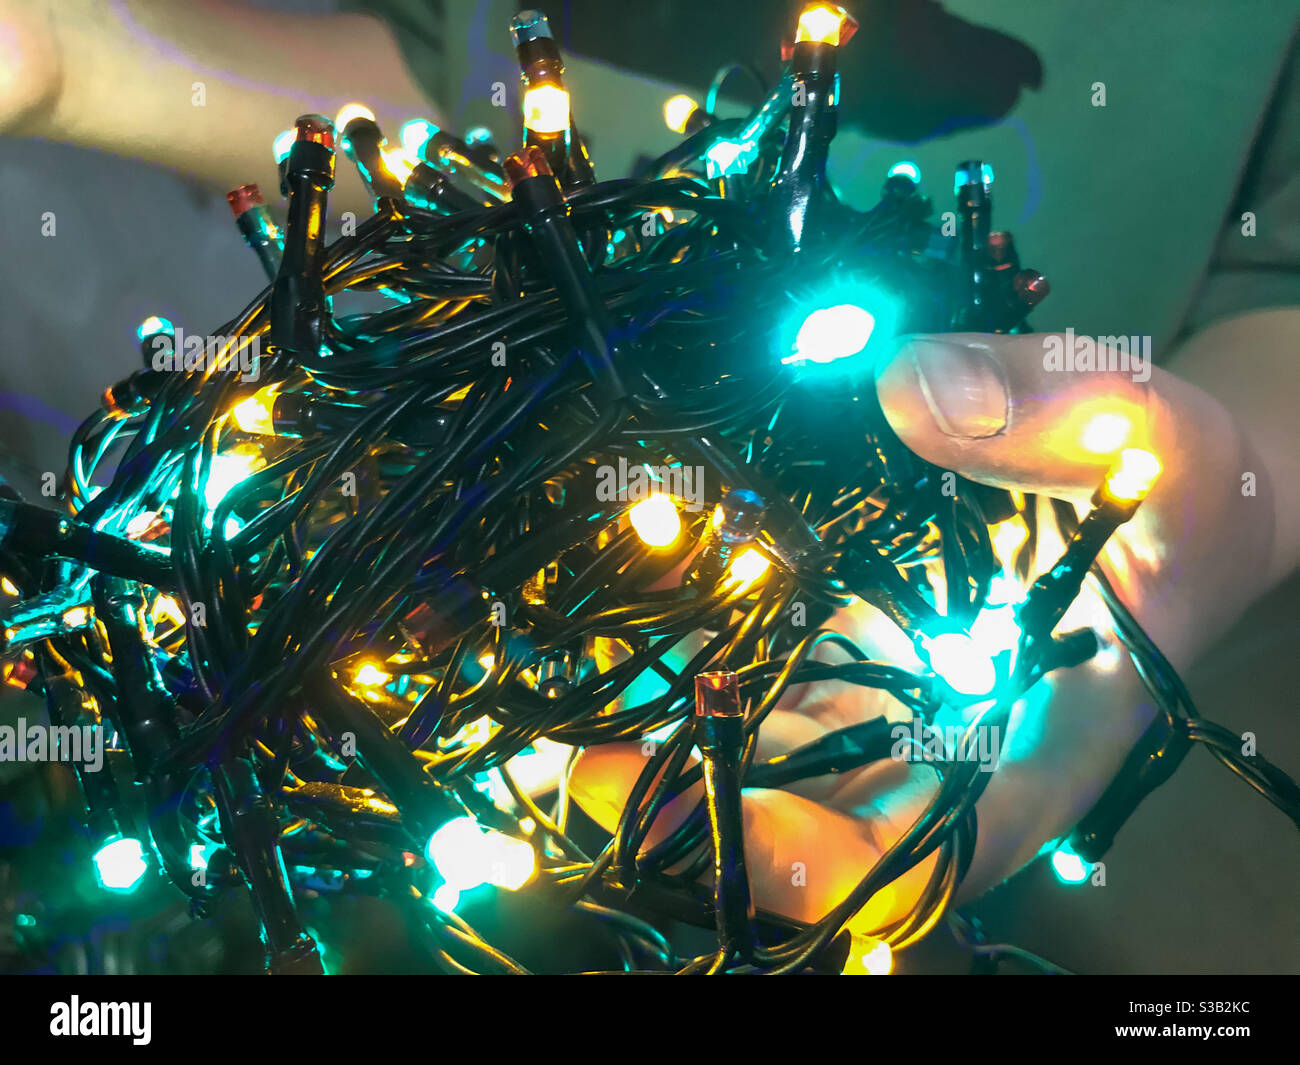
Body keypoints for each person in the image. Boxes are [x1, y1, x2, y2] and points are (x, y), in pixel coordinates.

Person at [1, 0, 1297, 969]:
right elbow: (448, 96)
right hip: (547, 755)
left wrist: (1246, 492)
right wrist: (68, 45)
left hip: (1177, 850)